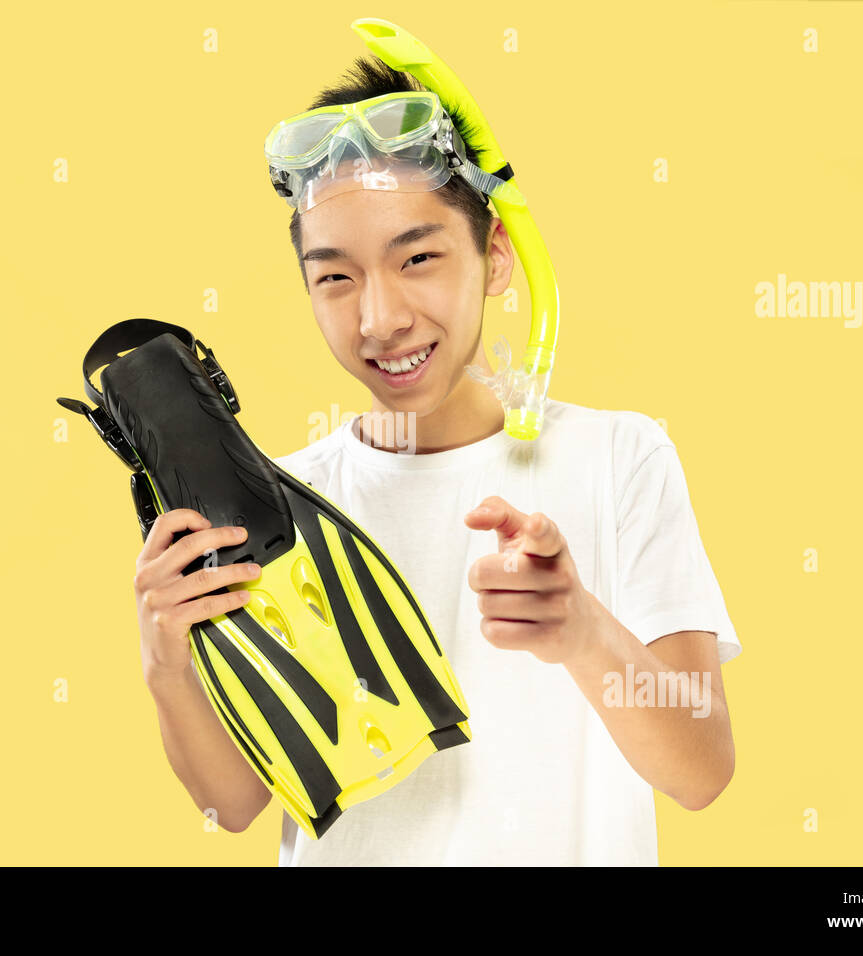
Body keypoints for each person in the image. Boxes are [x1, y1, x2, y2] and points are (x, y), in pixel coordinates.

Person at [134, 55, 741, 866]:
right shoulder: (277, 500)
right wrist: (167, 662)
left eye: (416, 259)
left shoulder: (619, 458)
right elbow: (237, 802)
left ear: (495, 254)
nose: (379, 318)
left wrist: (581, 628)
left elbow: (701, 772)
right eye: (336, 278)